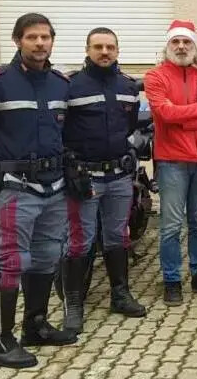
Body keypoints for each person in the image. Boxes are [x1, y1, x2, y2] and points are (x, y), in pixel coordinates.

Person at [0, 13, 77, 368]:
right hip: (15, 187)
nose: (40, 43)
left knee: (46, 256)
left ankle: (35, 326)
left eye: (45, 37)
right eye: (32, 37)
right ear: (17, 41)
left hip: (54, 187)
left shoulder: (60, 84)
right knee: (10, 261)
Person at [60, 27, 147, 334]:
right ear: (87, 50)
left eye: (110, 47)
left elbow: (130, 126)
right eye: (98, 47)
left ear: (118, 50)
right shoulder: (70, 86)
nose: (104, 52)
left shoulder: (128, 86)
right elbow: (59, 130)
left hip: (119, 176)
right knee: (80, 240)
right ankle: (74, 304)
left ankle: (120, 295)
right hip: (85, 178)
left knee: (118, 236)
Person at [144, 20, 197, 304]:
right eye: (176, 42)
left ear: (194, 46)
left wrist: (186, 120)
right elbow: (164, 113)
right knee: (171, 225)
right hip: (172, 162)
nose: (181, 47)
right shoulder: (155, 77)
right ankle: (171, 280)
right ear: (168, 45)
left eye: (186, 42)